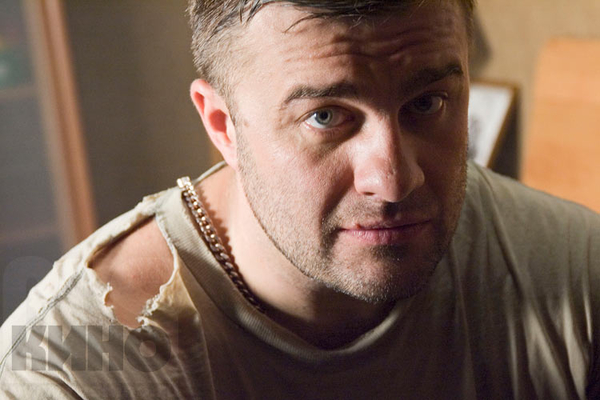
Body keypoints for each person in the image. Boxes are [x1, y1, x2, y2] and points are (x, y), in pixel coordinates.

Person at [1, 0, 599, 398]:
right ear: (223, 125)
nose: (394, 181)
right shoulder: (69, 374)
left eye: (427, 103)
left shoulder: (578, 276)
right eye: (326, 116)